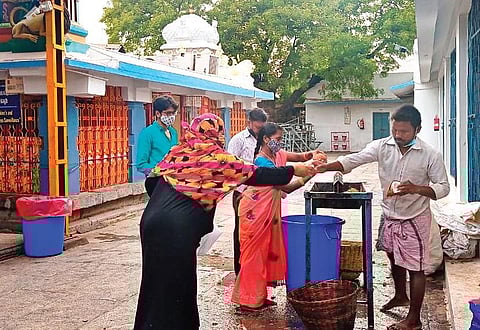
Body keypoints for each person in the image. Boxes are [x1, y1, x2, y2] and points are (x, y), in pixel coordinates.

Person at [134, 113, 318, 330]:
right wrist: (294, 170)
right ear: (215, 133)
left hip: (151, 222)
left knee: (154, 281)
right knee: (179, 282)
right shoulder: (214, 157)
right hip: (177, 228)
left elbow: (152, 181)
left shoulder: (178, 152)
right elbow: (254, 174)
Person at [316, 105, 450, 330]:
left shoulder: (430, 155)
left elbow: (443, 187)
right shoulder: (382, 146)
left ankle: (414, 320)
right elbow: (355, 159)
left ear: (417, 129)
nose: (398, 135)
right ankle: (400, 295)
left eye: (404, 131)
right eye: (395, 130)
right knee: (393, 256)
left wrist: (416, 188)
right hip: (389, 214)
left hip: (414, 217)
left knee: (416, 268)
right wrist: (326, 167)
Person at [231, 123, 323, 311]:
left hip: (267, 212)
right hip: (254, 213)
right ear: (266, 139)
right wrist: (307, 176)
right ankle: (248, 301)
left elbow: (297, 157)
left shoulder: (277, 155)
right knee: (253, 256)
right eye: (278, 139)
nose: (280, 143)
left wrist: (312, 154)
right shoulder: (262, 163)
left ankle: (259, 296)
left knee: (264, 253)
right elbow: (286, 187)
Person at [136, 95, 179, 177]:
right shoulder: (147, 133)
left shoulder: (173, 132)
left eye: (173, 113)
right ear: (158, 113)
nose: (172, 116)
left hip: (174, 180)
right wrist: (158, 171)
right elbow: (141, 164)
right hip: (156, 182)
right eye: (168, 113)